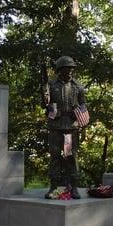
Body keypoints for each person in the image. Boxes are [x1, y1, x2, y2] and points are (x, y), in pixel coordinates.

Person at [43, 55, 88, 199]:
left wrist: (80, 116)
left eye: (71, 68)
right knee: (55, 156)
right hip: (56, 126)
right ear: (59, 70)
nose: (69, 71)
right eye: (66, 68)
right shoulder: (50, 85)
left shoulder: (77, 86)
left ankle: (73, 186)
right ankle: (54, 187)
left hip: (70, 128)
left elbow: (83, 105)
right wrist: (46, 101)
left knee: (70, 156)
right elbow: (44, 106)